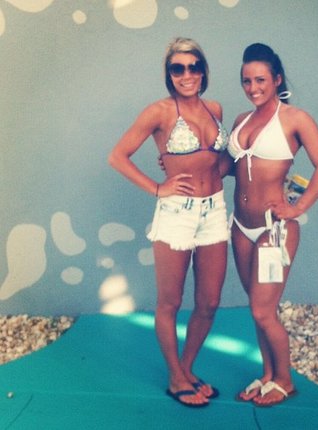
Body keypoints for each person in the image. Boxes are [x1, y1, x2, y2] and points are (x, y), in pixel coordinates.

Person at [108, 37, 229, 408]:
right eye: (178, 68)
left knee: (209, 302)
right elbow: (118, 156)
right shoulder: (159, 112)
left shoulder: (215, 109)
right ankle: (176, 378)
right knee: (170, 302)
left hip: (215, 210)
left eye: (193, 67)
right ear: (169, 74)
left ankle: (186, 368)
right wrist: (159, 188)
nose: (186, 74)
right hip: (177, 213)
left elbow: (220, 163)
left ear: (203, 71)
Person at [224, 43, 318, 407]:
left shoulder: (295, 119)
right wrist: (181, 164)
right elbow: (230, 167)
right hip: (241, 226)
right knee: (257, 308)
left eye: (260, 80)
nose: (253, 87)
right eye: (246, 81)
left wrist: (297, 207)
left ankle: (285, 380)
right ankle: (268, 374)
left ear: (276, 79)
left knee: (262, 310)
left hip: (274, 229)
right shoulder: (241, 121)